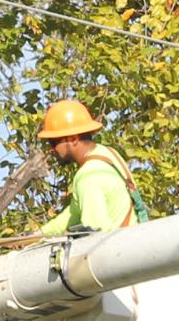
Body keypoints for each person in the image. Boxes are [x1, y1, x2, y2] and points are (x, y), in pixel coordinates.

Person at [37, 99, 147, 237]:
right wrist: (36, 236)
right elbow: (73, 213)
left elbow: (96, 235)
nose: (52, 149)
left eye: (54, 142)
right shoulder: (107, 153)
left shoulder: (88, 176)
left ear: (73, 139)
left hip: (120, 254)